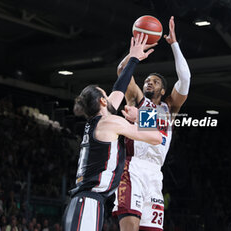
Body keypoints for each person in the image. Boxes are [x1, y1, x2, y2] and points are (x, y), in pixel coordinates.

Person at [62, 33, 162, 231]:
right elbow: (156, 137)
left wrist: (133, 57)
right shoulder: (110, 123)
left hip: (88, 202)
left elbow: (120, 85)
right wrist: (140, 115)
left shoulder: (100, 121)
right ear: (102, 101)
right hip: (87, 203)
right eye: (105, 94)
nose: (110, 96)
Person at [112, 16, 191, 231]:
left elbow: (185, 79)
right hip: (133, 167)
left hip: (156, 174)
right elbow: (122, 72)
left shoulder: (170, 108)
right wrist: (135, 52)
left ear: (163, 90)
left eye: (155, 81)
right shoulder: (138, 99)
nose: (149, 82)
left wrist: (174, 44)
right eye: (147, 80)